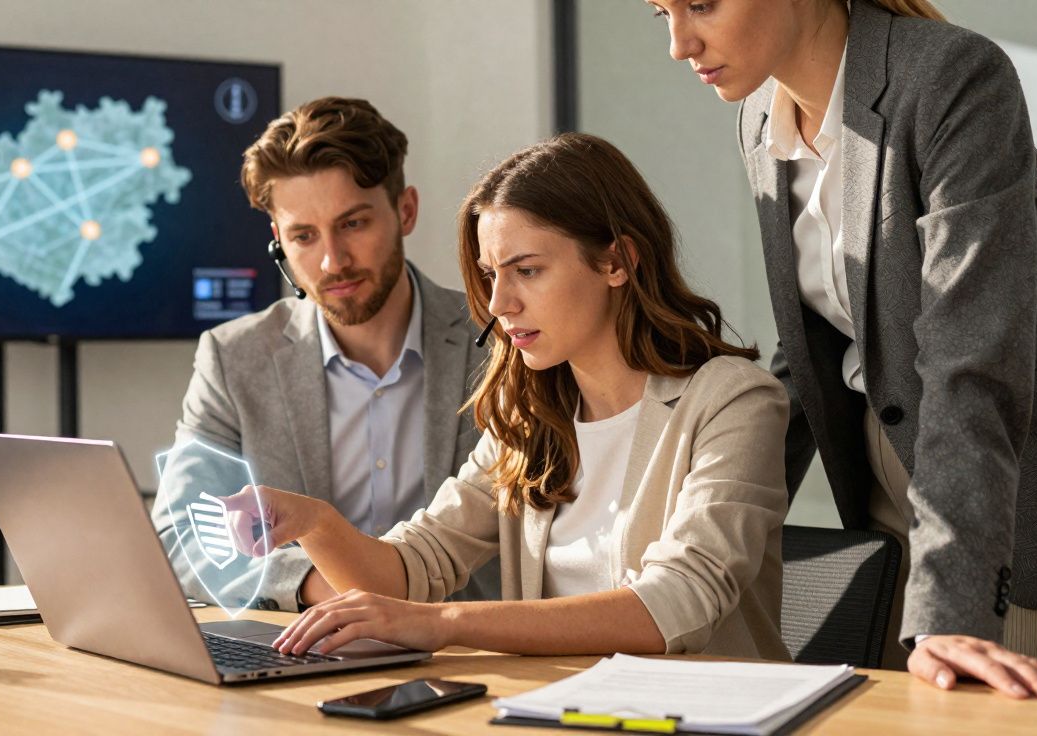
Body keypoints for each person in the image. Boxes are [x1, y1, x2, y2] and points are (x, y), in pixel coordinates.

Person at [221, 133, 792, 660]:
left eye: (527, 270)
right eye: (492, 274)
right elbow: (414, 568)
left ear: (616, 261)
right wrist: (316, 524)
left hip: (696, 715)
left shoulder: (733, 402)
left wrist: (444, 622)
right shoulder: (530, 418)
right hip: (555, 712)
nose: (498, 304)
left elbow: (679, 600)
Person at [647, 0, 1037, 696]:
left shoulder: (951, 77)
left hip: (1010, 497)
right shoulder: (759, 118)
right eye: (659, 12)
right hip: (883, 493)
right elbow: (811, 344)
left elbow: (973, 359)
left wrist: (950, 612)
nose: (677, 44)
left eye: (700, 4)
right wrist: (702, 529)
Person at [150, 97, 498, 613]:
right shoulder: (233, 357)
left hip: (467, 643)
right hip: (303, 638)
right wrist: (326, 587)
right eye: (304, 236)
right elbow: (183, 535)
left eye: (353, 223)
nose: (333, 260)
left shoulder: (499, 339)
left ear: (405, 211)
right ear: (278, 241)